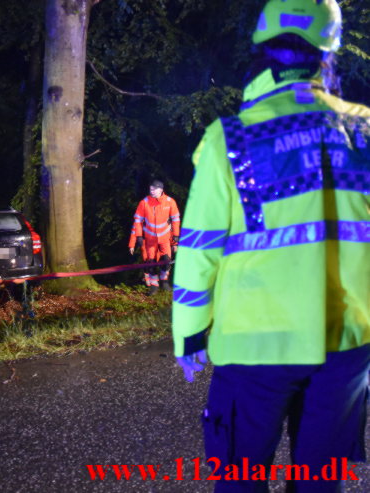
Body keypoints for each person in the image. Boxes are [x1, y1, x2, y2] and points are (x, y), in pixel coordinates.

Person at [172, 0, 369, 491]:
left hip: (252, 345)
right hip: (345, 346)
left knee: (240, 479)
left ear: (260, 48)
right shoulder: (364, 129)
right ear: (330, 52)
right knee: (321, 483)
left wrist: (190, 336)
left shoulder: (229, 139)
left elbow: (199, 249)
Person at [128, 179, 180, 294]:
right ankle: (154, 286)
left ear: (161, 189)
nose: (151, 191)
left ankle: (164, 281)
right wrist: (139, 236)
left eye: (154, 189)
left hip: (165, 238)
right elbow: (137, 221)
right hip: (150, 239)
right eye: (150, 189)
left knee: (166, 262)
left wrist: (176, 235)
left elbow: (176, 219)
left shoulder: (170, 202)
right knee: (150, 263)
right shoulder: (144, 202)